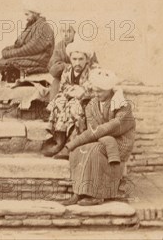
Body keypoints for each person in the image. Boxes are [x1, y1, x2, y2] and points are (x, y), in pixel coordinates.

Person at [58, 68, 136, 206]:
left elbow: (114, 126)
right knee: (79, 151)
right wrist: (75, 144)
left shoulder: (122, 105)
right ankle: (78, 192)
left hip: (118, 142)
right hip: (100, 138)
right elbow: (92, 128)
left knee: (95, 152)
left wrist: (95, 135)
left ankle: (96, 195)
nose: (96, 94)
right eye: (94, 90)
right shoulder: (92, 105)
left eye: (100, 91)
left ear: (109, 90)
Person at [43, 39, 98, 157]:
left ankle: (71, 144)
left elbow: (93, 87)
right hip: (71, 97)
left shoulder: (92, 70)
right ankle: (58, 140)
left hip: (86, 102)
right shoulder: (67, 70)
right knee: (58, 102)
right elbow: (63, 86)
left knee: (73, 107)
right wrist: (72, 91)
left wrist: (82, 91)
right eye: (74, 59)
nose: (77, 62)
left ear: (87, 59)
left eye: (81, 59)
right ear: (70, 59)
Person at [0, 5, 55, 81]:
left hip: (40, 59)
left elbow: (30, 48)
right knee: (5, 59)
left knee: (9, 62)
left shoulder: (44, 28)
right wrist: (8, 49)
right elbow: (19, 44)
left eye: (27, 14)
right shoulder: (32, 25)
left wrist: (10, 53)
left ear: (35, 13)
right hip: (32, 55)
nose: (26, 18)